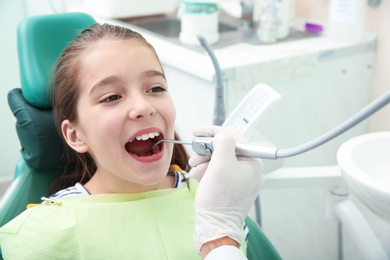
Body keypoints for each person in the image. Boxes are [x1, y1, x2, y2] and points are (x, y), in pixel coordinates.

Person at [0, 22, 263, 259]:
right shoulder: (38, 237)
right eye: (112, 97)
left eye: (155, 88)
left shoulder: (220, 204)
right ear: (75, 135)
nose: (144, 106)